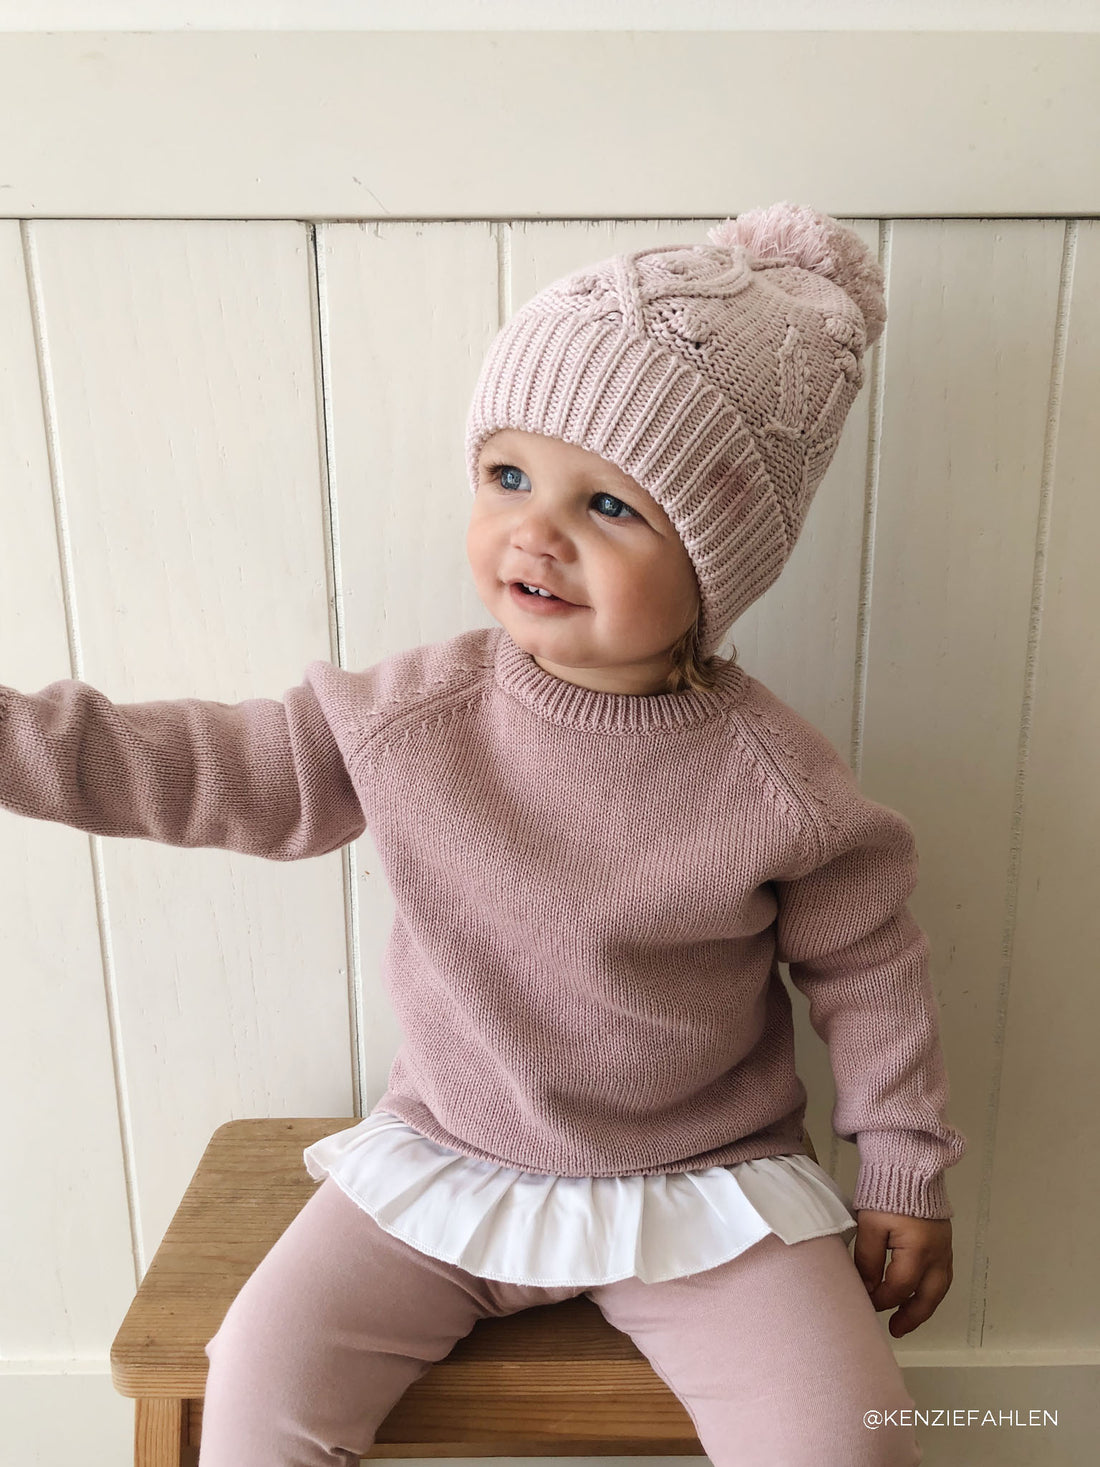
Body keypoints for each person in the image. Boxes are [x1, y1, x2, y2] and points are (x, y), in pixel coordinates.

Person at [0, 202, 966, 1467]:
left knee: (848, 1440)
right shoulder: (414, 716)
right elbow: (212, 765)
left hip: (703, 1186)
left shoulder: (772, 779)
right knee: (257, 1388)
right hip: (444, 1161)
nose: (534, 532)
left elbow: (869, 967)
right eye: (508, 476)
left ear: (718, 558)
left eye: (608, 505)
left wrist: (900, 1166)